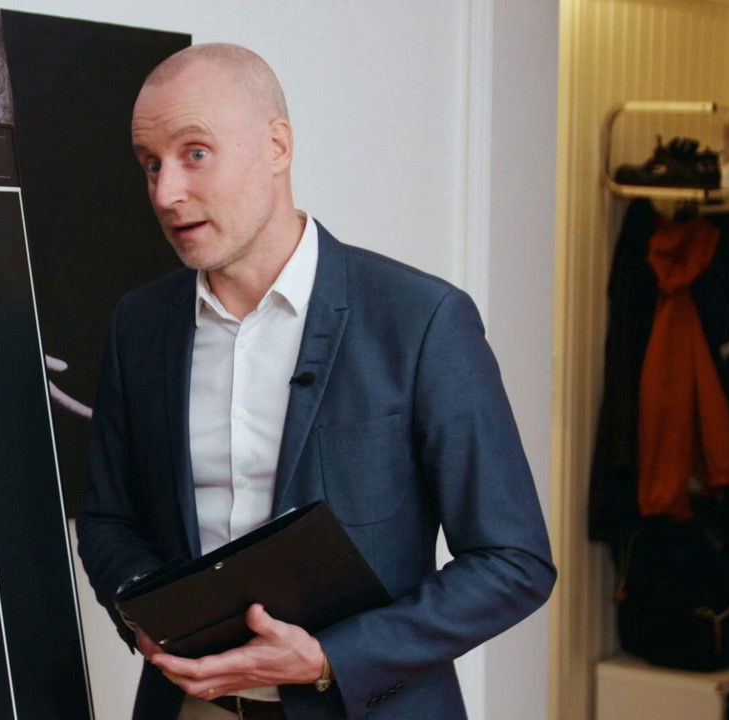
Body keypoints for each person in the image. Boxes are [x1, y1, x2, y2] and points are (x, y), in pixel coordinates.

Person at [75, 43, 556, 720]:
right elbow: (108, 518)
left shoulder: (422, 319)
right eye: (151, 163)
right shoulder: (139, 324)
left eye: (195, 153)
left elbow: (514, 561)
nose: (165, 192)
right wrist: (145, 609)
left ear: (277, 146)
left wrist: (332, 657)